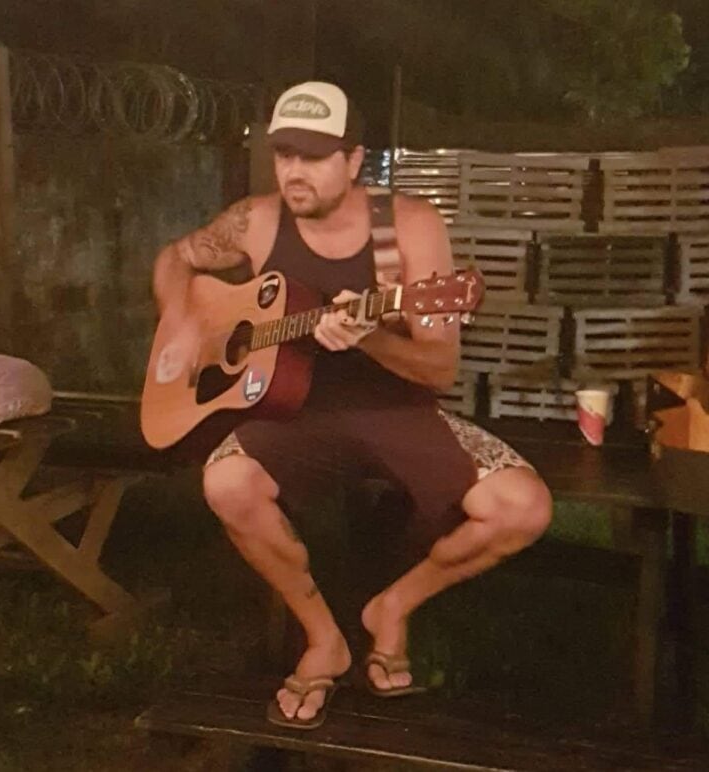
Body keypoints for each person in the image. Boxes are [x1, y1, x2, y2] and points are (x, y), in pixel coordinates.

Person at [152, 81, 552, 729]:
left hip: (394, 409)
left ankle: (390, 608)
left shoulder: (410, 229)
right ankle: (325, 638)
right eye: (284, 154)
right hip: (288, 412)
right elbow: (176, 258)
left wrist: (370, 343)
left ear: (354, 160)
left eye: (313, 156)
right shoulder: (254, 221)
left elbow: (439, 368)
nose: (294, 172)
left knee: (523, 509)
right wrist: (183, 321)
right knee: (226, 484)